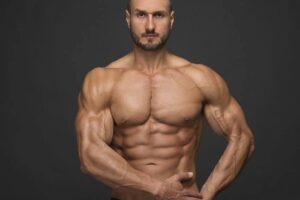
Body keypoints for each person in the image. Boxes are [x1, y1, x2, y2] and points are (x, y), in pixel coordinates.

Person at [75, 0, 255, 199]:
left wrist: (208, 193)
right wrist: (158, 188)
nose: (150, 26)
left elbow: (242, 138)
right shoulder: (103, 81)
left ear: (171, 19)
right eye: (141, 15)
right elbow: (89, 153)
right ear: (128, 19)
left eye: (159, 15)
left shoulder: (199, 78)